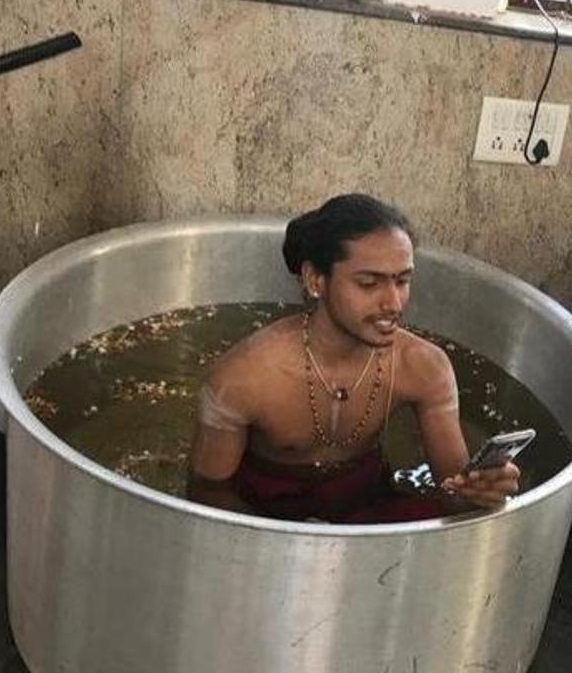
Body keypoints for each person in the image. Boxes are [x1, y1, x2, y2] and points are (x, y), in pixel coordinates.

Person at [187, 194, 520, 523]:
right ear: (315, 280)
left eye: (402, 280)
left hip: (367, 504)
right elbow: (206, 493)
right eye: (368, 283)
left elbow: (454, 496)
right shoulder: (246, 375)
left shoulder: (423, 367)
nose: (394, 303)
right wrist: (288, 537)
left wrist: (483, 491)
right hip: (265, 510)